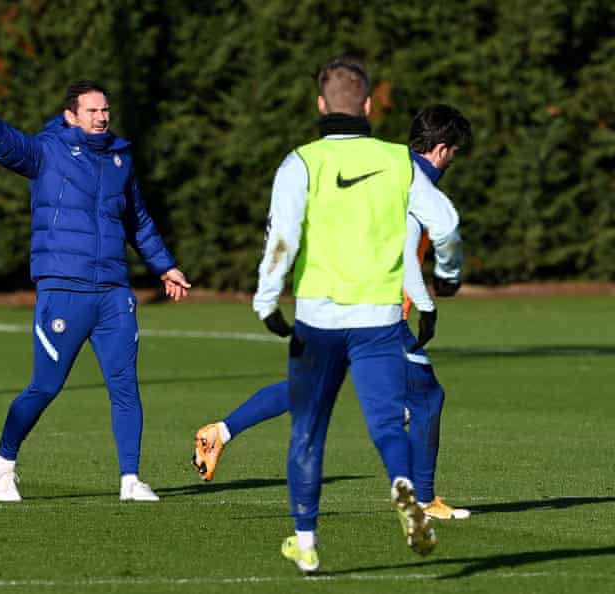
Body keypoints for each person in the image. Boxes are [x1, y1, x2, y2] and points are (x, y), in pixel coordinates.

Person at [193, 105, 472, 523]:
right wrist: (428, 305)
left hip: (330, 301)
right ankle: (423, 499)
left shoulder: (382, 165)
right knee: (428, 399)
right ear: (443, 149)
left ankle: (220, 431)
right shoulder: (413, 180)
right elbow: (407, 250)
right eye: (455, 152)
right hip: (377, 313)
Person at [251, 56, 464, 574]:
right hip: (379, 320)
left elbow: (283, 237)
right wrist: (447, 276)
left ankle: (306, 543)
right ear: (368, 106)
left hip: (319, 319)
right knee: (388, 424)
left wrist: (267, 300)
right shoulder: (398, 160)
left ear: (320, 104)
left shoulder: (300, 163)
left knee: (308, 430)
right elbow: (446, 225)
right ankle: (404, 487)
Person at [0, 70, 190, 503]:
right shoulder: (47, 151)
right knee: (45, 387)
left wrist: (165, 266)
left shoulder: (120, 158)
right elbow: (6, 144)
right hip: (63, 289)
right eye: (92, 111)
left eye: (105, 110)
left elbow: (137, 220)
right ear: (71, 115)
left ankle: (131, 479)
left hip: (113, 292)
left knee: (124, 385)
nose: (101, 117)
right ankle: (3, 460)